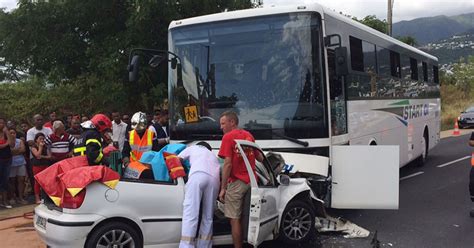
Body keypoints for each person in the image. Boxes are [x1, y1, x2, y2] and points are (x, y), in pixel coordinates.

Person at [218, 111, 261, 248]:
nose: (221, 127)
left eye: (223, 123)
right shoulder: (249, 136)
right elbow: (259, 157)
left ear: (232, 122)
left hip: (237, 183)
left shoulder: (228, 137)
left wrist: (223, 188)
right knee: (247, 215)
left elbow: (227, 164)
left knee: (234, 219)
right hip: (252, 181)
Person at [178, 141, 220, 248]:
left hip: (198, 175)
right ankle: (204, 245)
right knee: (208, 216)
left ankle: (186, 245)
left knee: (191, 212)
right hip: (214, 180)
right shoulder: (213, 156)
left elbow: (177, 159)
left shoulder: (192, 148)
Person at [8, 128, 28, 205]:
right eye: (11, 133)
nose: (12, 134)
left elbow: (23, 150)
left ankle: (20, 197)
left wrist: (13, 151)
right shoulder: (7, 142)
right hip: (11, 163)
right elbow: (9, 152)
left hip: (21, 163)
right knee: (12, 181)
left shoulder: (20, 141)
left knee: (21, 180)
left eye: (14, 133)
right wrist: (17, 150)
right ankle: (12, 197)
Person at [30, 133, 51, 203]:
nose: (42, 140)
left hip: (45, 165)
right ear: (36, 140)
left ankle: (46, 197)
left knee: (46, 182)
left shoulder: (46, 146)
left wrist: (42, 156)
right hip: (37, 166)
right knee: (37, 182)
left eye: (43, 139)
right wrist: (40, 147)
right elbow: (37, 155)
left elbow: (49, 156)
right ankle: (37, 198)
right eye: (40, 139)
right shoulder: (33, 147)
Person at [0, 118, 14, 208]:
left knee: (5, 180)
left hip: (7, 159)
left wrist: (7, 133)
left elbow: (12, 144)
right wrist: (6, 144)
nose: (1, 124)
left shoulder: (6, 133)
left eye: (2, 123)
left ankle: (5, 201)